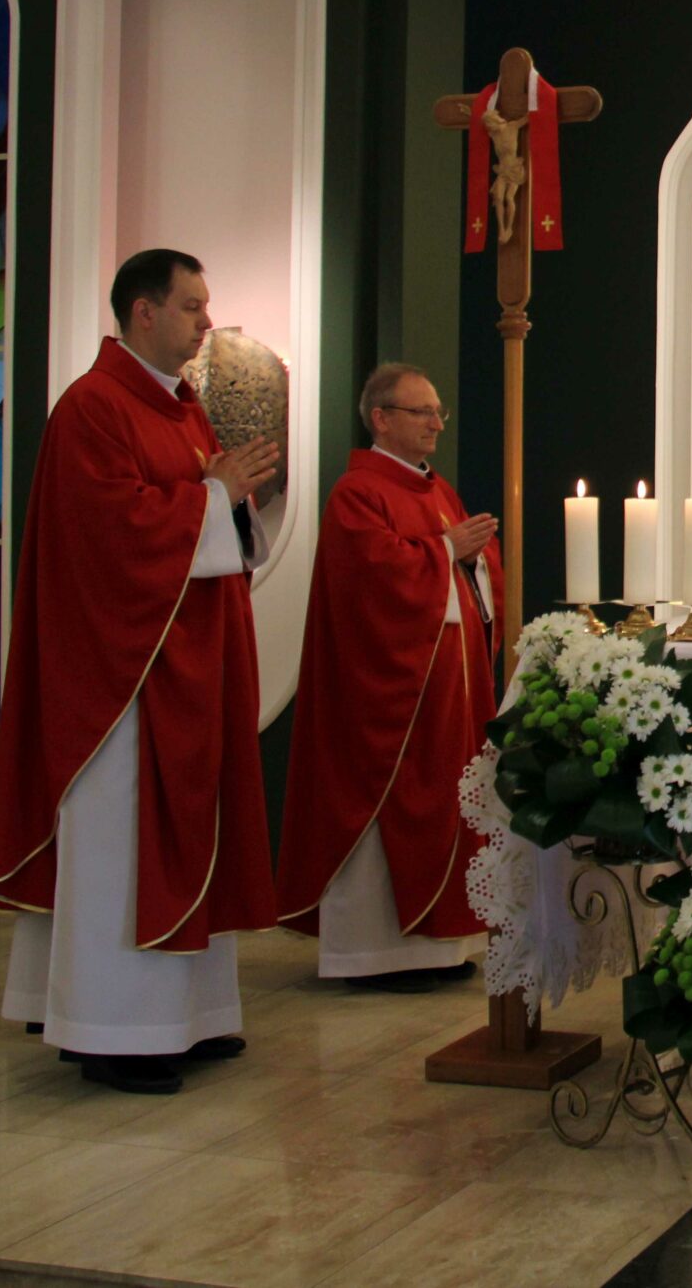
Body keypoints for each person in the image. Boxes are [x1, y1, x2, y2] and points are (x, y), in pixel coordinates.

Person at [0, 249, 279, 1096]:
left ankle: (192, 1015)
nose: (206, 321)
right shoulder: (93, 407)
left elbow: (206, 511)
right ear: (142, 311)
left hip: (183, 662)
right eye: (191, 305)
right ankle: (112, 1031)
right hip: (118, 675)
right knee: (119, 849)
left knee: (183, 836)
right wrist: (210, 496)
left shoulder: (182, 408)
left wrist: (223, 496)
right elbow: (108, 530)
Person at [275, 364, 499, 992]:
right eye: (420, 412)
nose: (435, 424)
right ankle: (377, 955)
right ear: (380, 419)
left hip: (446, 693)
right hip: (387, 696)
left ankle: (441, 944)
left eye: (438, 412)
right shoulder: (358, 493)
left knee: (450, 805)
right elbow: (369, 579)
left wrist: (475, 559)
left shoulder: (438, 490)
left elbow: (467, 572)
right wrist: (445, 552)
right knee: (387, 808)